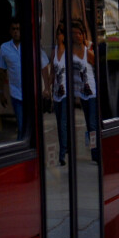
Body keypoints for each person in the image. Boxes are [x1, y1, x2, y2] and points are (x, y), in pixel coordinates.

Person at [0, 18, 47, 141]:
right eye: (13, 29)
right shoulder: (4, 48)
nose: (16, 32)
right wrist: (1, 92)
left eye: (18, 29)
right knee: (21, 126)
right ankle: (22, 149)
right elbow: (0, 71)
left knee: (33, 126)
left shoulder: (32, 46)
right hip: (16, 94)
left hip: (32, 94)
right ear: (10, 31)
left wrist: (47, 88)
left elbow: (44, 66)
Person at [71, 19, 99, 161]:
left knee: (93, 124)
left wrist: (85, 50)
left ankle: (95, 153)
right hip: (82, 92)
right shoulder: (69, 50)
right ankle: (93, 148)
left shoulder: (89, 47)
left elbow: (96, 63)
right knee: (89, 123)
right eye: (74, 34)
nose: (77, 36)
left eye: (79, 33)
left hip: (93, 91)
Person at [50, 22, 69, 165]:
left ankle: (62, 154)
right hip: (56, 92)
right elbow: (52, 73)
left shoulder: (69, 53)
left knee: (63, 123)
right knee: (59, 123)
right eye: (57, 33)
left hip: (66, 92)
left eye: (61, 33)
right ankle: (66, 146)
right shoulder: (54, 51)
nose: (58, 36)